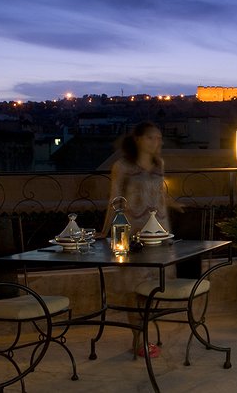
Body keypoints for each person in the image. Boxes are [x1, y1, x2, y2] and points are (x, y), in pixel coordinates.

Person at [100, 121, 178, 358]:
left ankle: (143, 334)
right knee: (135, 288)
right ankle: (139, 339)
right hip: (132, 232)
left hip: (159, 232)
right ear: (138, 140)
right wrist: (105, 232)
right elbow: (115, 199)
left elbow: (160, 196)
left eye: (159, 138)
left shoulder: (159, 164)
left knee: (154, 286)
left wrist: (172, 207)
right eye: (152, 138)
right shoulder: (122, 167)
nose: (157, 142)